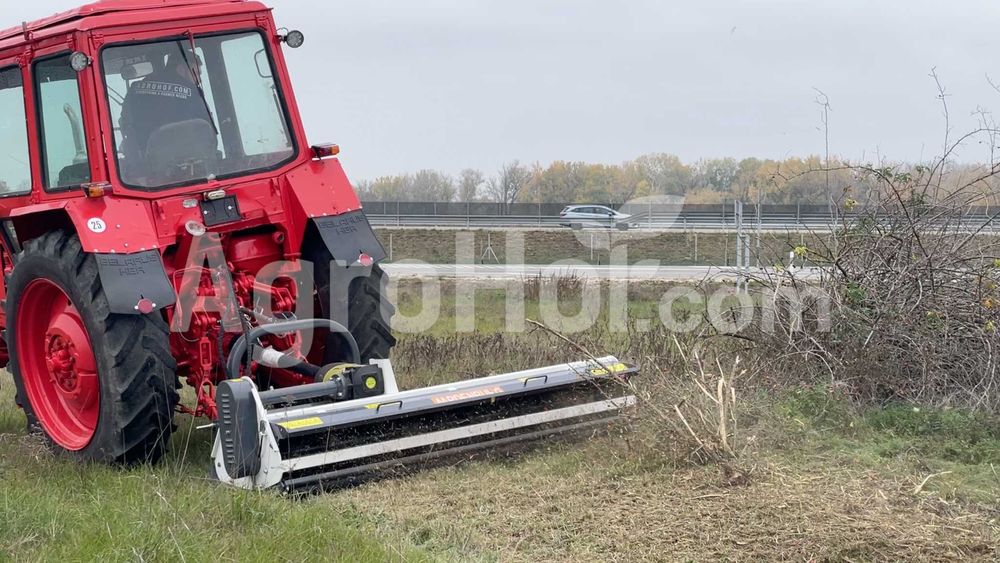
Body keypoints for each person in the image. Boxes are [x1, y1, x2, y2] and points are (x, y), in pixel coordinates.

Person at [119, 44, 217, 184]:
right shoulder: (193, 93)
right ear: (182, 69)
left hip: (149, 173)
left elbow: (126, 128)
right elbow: (208, 132)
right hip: (193, 168)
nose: (199, 79)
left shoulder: (135, 90)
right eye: (196, 73)